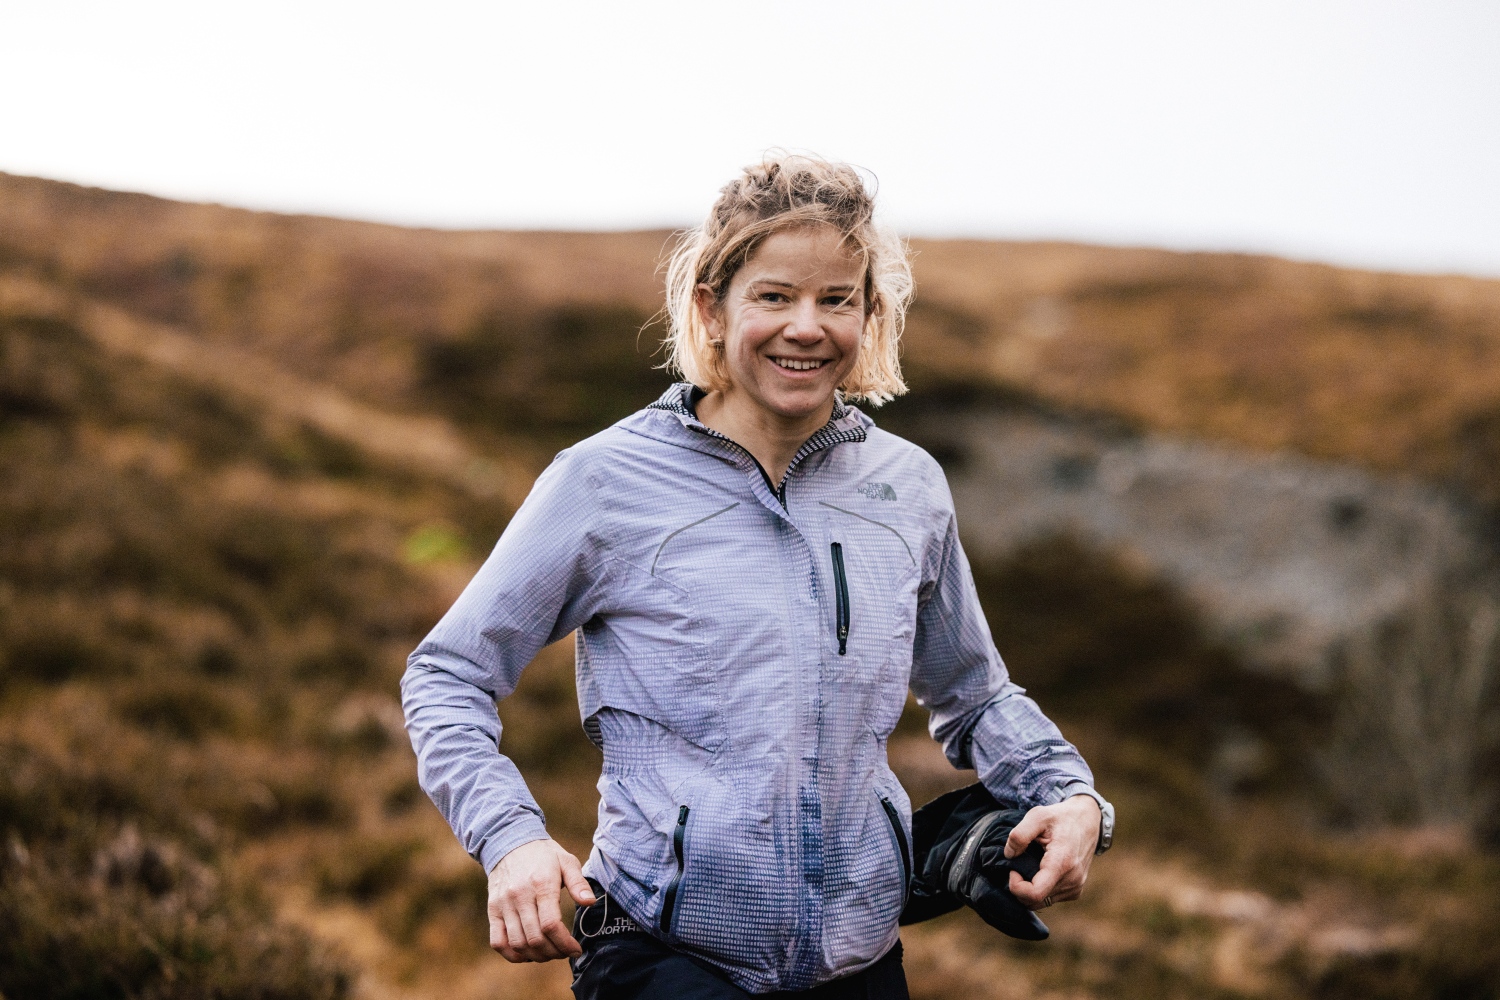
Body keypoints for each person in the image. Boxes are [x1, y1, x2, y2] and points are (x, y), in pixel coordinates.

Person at [401, 155, 1112, 999]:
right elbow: (446, 676)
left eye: (836, 300)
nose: (805, 328)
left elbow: (976, 694)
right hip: (662, 958)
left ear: (870, 313)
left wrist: (1073, 798)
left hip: (861, 963)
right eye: (774, 297)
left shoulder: (907, 486)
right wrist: (509, 837)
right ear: (713, 306)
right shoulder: (604, 484)